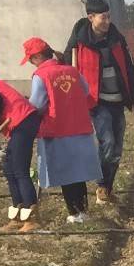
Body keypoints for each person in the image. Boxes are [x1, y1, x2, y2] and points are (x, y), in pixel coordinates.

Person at [61, 0, 134, 203]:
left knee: (117, 149)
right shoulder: (79, 42)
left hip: (118, 100)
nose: (107, 21)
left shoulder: (117, 39)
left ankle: (107, 187)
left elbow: (129, 69)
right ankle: (101, 185)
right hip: (97, 102)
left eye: (108, 16)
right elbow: (67, 70)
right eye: (103, 17)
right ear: (91, 18)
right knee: (107, 143)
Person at [22, 39, 102, 222]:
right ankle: (83, 212)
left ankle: (73, 213)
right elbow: (85, 90)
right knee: (78, 172)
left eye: (30, 59)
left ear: (38, 56)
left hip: (57, 130)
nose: (30, 63)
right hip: (79, 127)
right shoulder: (71, 71)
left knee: (66, 173)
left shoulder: (41, 76)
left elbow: (37, 104)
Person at [0, 68, 40, 230]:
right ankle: (18, 216)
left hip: (23, 118)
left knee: (19, 169)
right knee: (9, 169)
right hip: (15, 124)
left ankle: (31, 217)